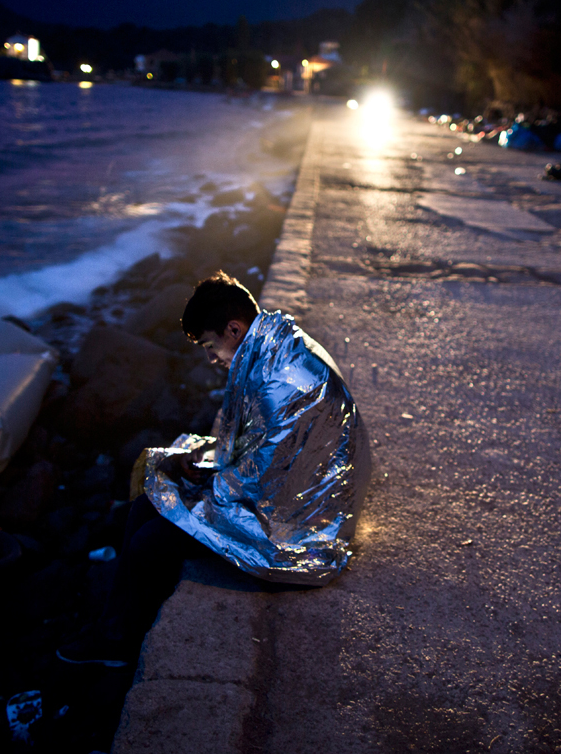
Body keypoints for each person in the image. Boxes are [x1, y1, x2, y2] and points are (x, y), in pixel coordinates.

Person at [57, 271, 370, 665]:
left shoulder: (278, 380)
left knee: (150, 538)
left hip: (303, 527)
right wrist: (207, 464)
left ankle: (119, 641)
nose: (210, 358)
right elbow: (260, 445)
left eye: (209, 345)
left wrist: (204, 485)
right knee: (145, 507)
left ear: (234, 328)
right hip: (300, 492)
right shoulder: (268, 349)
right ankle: (114, 630)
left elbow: (263, 478)